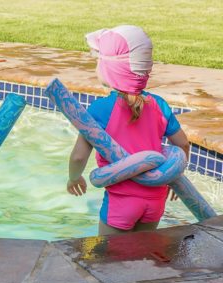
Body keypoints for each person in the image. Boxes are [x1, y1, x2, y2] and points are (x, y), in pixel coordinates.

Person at [67, 25, 189, 235]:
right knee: (141, 257)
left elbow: (79, 157)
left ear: (109, 70)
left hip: (121, 202)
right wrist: (172, 174)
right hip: (155, 200)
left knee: (108, 262)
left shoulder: (100, 109)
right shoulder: (160, 105)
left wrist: (74, 178)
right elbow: (183, 144)